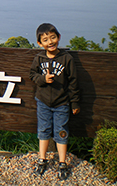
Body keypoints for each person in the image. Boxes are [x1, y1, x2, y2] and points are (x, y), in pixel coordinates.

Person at [29, 23, 80, 180]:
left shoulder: (66, 59)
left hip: (62, 103)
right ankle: (42, 159)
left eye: (53, 37)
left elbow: (73, 82)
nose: (50, 42)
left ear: (58, 37)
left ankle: (62, 162)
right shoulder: (39, 58)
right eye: (45, 39)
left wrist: (75, 103)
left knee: (61, 132)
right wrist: (43, 79)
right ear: (40, 43)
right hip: (43, 102)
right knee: (43, 130)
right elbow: (32, 75)